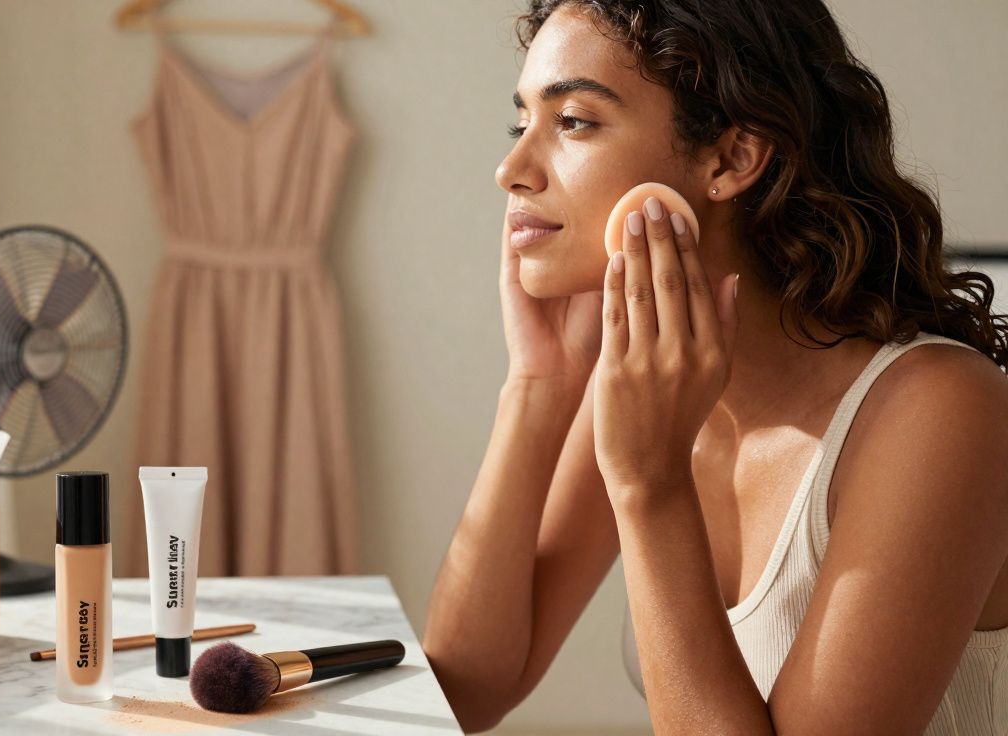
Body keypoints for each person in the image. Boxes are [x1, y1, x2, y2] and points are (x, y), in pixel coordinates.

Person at [421, 1, 1008, 733]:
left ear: (732, 158)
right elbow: (464, 691)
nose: (511, 169)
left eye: (573, 121)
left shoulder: (940, 409)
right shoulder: (649, 381)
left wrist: (651, 485)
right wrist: (538, 384)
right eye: (522, 123)